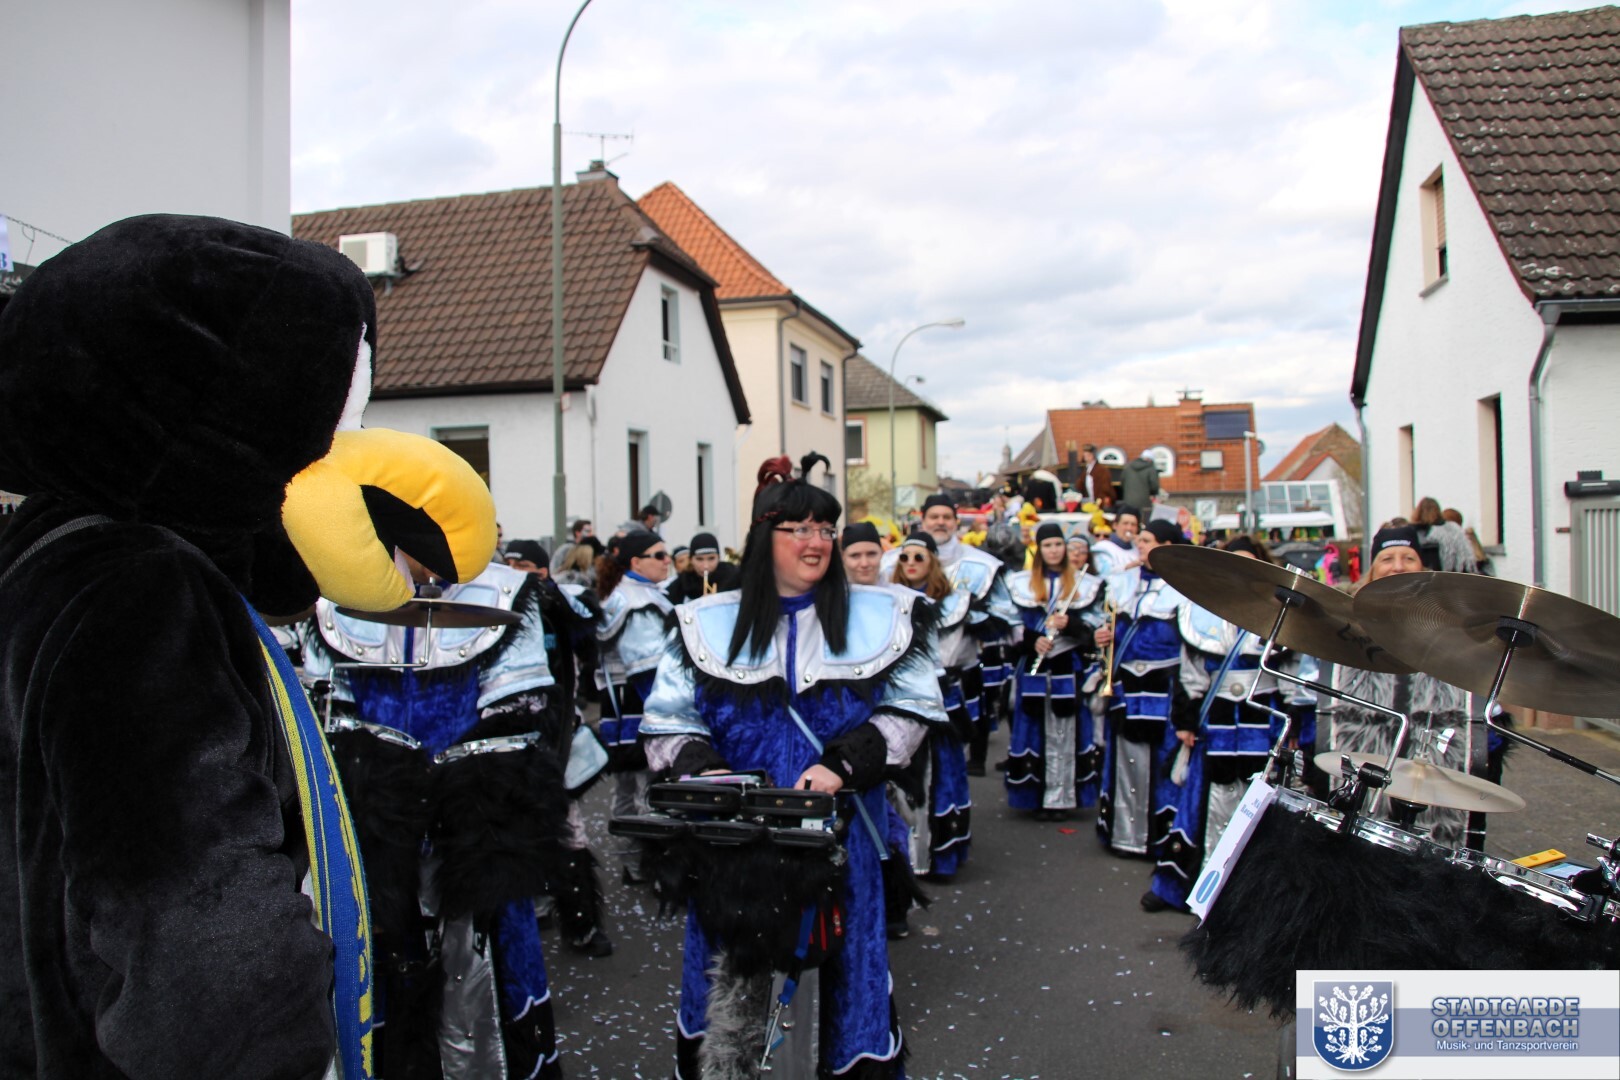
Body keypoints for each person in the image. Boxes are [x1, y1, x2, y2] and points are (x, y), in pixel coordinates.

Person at [641, 453, 944, 1078]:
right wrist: (705, 770)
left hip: (841, 843)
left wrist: (844, 764)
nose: (818, 542)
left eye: (826, 529)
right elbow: (669, 719)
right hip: (732, 845)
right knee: (731, 994)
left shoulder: (883, 617)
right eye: (800, 528)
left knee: (845, 984)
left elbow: (913, 709)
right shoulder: (703, 623)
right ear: (764, 537)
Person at [301, 552, 583, 1075]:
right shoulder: (337, 594)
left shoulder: (506, 592)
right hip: (369, 831)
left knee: (487, 977)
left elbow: (521, 713)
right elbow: (326, 711)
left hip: (475, 831)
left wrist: (457, 793)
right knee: (373, 971)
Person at [1139, 535, 1316, 913]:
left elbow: (1294, 675)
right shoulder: (1200, 609)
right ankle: (1186, 886)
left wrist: (1296, 724)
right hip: (1215, 718)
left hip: (1264, 717)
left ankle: (1254, 897)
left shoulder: (1285, 614)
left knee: (1263, 801)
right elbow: (1190, 671)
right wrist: (1185, 719)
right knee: (1201, 801)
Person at [1319, 524, 1491, 849]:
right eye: (1387, 558)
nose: (1398, 566)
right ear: (1372, 569)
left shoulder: (1451, 629)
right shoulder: (1343, 626)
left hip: (1430, 778)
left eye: (1408, 558)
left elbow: (1481, 719)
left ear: (1422, 568)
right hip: (1365, 771)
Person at [884, 493, 1019, 777]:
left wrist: (972, 618)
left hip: (959, 670)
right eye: (934, 517)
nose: (940, 522)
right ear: (923, 520)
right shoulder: (892, 561)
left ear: (956, 522)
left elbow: (1006, 615)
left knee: (951, 757)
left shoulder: (982, 565)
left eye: (946, 517)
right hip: (904, 678)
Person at [1097, 519, 1189, 859]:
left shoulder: (1187, 588)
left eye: (1147, 540)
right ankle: (1126, 835)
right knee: (1126, 757)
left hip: (1166, 687)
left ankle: (1161, 837)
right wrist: (1101, 636)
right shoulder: (1121, 581)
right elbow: (1107, 627)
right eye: (1139, 540)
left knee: (1163, 760)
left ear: (1167, 546)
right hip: (1126, 686)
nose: (1140, 545)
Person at [1006, 523, 1109, 821]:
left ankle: (1062, 798)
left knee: (1067, 727)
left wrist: (1072, 625)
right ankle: (1035, 797)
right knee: (1032, 726)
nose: (1053, 550)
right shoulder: (1020, 583)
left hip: (1067, 664)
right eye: (1048, 545)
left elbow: (1095, 628)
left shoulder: (1085, 584)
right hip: (1034, 665)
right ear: (1039, 549)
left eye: (1058, 544)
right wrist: (1031, 640)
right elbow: (1010, 623)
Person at [890, 531, 975, 878]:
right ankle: (909, 855)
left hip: (941, 699)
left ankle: (941, 855)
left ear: (933, 562)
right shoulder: (887, 600)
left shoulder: (952, 602)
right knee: (905, 775)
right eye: (904, 557)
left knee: (943, 774)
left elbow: (953, 654)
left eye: (918, 557)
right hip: (900, 700)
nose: (910, 564)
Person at [595, 530, 675, 883]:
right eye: (658, 555)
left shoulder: (631, 594)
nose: (667, 560)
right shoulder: (636, 601)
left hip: (623, 709)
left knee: (628, 788)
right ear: (636, 562)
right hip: (641, 708)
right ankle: (648, 866)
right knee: (647, 788)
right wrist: (671, 713)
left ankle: (633, 863)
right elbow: (649, 669)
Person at [665, 531, 742, 605]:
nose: (706, 566)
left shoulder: (733, 575)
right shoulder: (683, 582)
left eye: (711, 558)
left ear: (718, 558)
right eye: (699, 559)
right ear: (691, 560)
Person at [1411, 496, 1477, 573]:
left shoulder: (1412, 532)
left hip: (1422, 575)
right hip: (1453, 573)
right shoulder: (1453, 529)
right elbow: (1465, 555)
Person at [1092, 505, 1141, 578]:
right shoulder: (1102, 547)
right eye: (1125, 523)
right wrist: (1127, 567)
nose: (1129, 528)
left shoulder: (1138, 550)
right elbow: (1102, 571)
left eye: (1133, 525)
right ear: (1115, 525)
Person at [840, 521, 886, 586]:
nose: (864, 564)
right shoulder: (832, 592)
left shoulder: (898, 592)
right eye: (855, 556)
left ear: (882, 553)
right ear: (843, 557)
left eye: (871, 554)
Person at [1078, 443, 1114, 508]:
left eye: (1088, 455)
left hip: (1100, 502)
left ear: (1092, 455)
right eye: (1085, 455)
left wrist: (1103, 498)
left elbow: (1106, 487)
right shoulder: (1085, 469)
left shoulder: (1101, 470)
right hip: (1088, 502)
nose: (1086, 458)